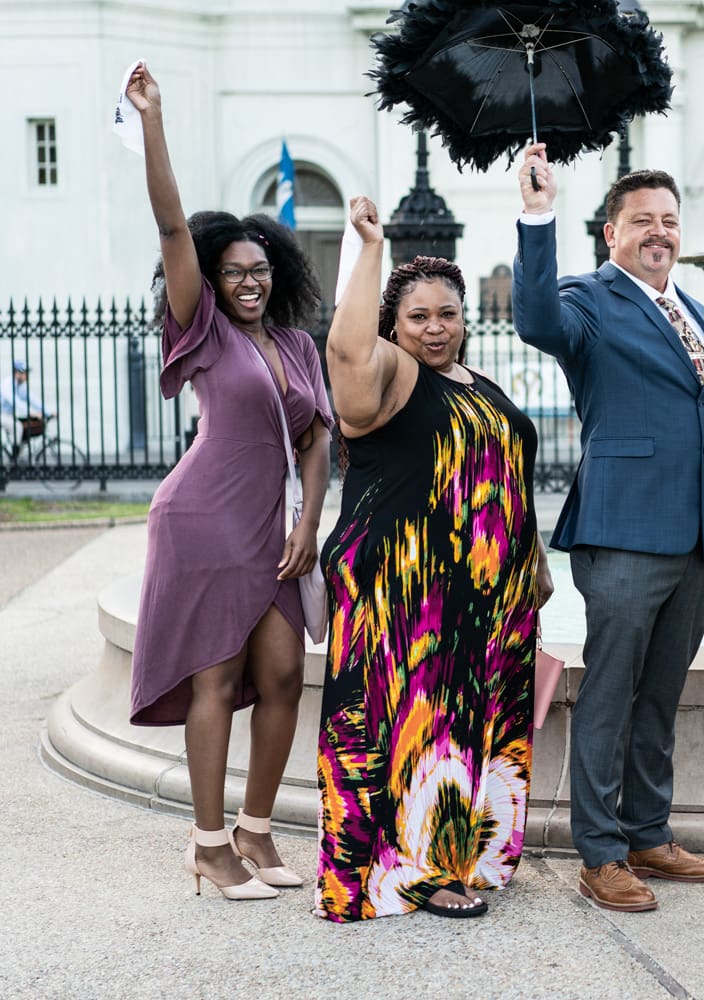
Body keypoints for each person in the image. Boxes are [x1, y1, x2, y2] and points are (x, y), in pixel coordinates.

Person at [512, 143, 704, 914]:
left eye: (668, 221)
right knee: (611, 694)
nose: (658, 232)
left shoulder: (694, 312)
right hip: (622, 534)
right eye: (641, 222)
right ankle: (600, 853)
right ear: (611, 234)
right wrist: (536, 215)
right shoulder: (589, 299)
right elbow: (535, 319)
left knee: (659, 696)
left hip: (694, 542)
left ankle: (649, 833)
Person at [125, 62, 331, 900]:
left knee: (283, 677)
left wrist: (309, 521)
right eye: (235, 272)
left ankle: (256, 833)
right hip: (204, 520)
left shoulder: (298, 345)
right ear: (213, 278)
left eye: (261, 270)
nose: (250, 283)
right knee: (216, 677)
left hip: (274, 532)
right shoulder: (202, 328)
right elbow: (174, 227)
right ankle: (207, 847)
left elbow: (316, 438)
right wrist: (152, 122)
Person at [315, 198, 551, 921]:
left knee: (468, 722)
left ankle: (460, 855)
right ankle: (415, 873)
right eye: (418, 317)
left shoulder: (479, 384)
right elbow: (346, 355)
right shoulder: (390, 377)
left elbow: (509, 474)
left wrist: (533, 563)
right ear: (394, 324)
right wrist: (369, 248)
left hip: (487, 596)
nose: (435, 327)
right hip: (404, 591)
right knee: (419, 726)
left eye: (446, 313)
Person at [2, 360, 51, 457]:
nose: (26, 375)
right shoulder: (7, 384)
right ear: (16, 373)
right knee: (17, 427)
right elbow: (16, 402)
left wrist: (47, 412)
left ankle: (17, 454)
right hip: (2, 415)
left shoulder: (20, 386)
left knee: (25, 430)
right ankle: (14, 459)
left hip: (9, 415)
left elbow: (32, 400)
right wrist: (32, 413)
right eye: (24, 372)